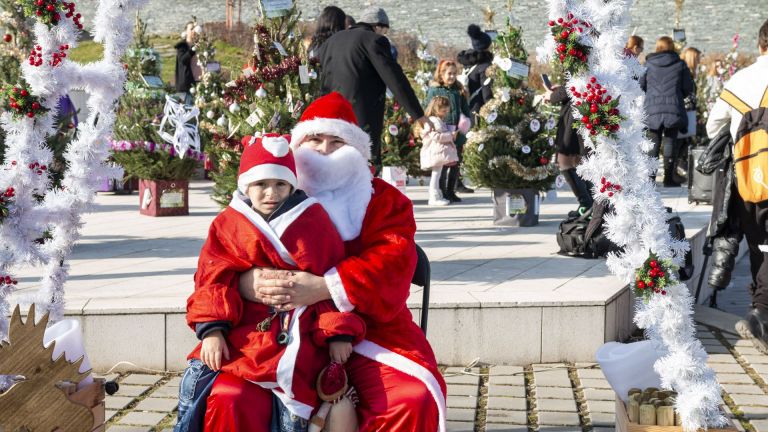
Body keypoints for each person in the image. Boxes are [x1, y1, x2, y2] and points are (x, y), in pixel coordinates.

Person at [202, 92, 446, 431]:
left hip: (371, 330)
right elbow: (221, 257)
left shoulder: (386, 201)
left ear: (358, 151)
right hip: (273, 330)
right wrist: (246, 283)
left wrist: (323, 287)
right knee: (231, 395)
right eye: (314, 138)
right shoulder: (269, 192)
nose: (324, 149)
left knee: (410, 398)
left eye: (336, 140)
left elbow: (394, 263)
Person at [178, 134, 365, 431]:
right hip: (245, 331)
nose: (271, 193)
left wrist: (337, 332)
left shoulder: (314, 221)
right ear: (246, 186)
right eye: (261, 185)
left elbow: (329, 279)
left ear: (292, 184)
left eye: (280, 184)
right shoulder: (228, 224)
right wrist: (212, 330)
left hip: (301, 330)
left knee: (298, 389)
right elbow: (211, 277)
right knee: (225, 390)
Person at [706, 19, 768, 353]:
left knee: (760, 246)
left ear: (760, 44)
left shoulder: (740, 79)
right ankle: (761, 315)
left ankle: (763, 315)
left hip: (746, 178)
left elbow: (712, 125)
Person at [316, 6, 428, 174]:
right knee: (363, 168)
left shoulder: (330, 42)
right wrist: (418, 114)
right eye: (385, 31)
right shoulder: (373, 40)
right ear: (378, 26)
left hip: (329, 115)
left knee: (333, 165)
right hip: (361, 117)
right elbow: (395, 79)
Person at [640, 36, 694, 187]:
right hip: (673, 107)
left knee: (653, 143)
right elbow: (688, 88)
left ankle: (650, 180)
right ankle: (669, 178)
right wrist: (677, 95)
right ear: (672, 47)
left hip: (652, 109)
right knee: (671, 142)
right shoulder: (680, 64)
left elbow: (641, 85)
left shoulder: (647, 64)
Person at [424, 60, 472, 202]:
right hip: (442, 131)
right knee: (443, 162)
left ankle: (451, 190)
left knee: (455, 162)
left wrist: (466, 123)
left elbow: (465, 110)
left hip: (456, 132)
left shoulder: (458, 91)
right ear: (441, 74)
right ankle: (442, 191)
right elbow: (428, 109)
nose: (452, 77)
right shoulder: (435, 90)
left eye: (454, 74)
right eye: (449, 73)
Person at [544, 82, 593, 217]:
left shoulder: (579, 60)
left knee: (565, 159)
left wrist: (552, 95)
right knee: (580, 159)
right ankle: (591, 205)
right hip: (583, 109)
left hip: (576, 112)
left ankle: (587, 204)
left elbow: (574, 82)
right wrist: (560, 89)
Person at [418, 96, 460, 206]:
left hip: (438, 152)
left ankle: (437, 194)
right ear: (436, 109)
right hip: (435, 152)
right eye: (444, 110)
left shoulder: (436, 120)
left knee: (437, 173)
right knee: (436, 174)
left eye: (447, 110)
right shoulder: (432, 121)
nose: (446, 113)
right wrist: (450, 135)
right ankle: (433, 197)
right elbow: (436, 136)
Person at [676, 46, 703, 180]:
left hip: (688, 109)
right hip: (685, 109)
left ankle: (680, 166)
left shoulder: (688, 72)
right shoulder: (684, 72)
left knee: (685, 139)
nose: (699, 61)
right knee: (682, 139)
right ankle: (679, 166)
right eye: (697, 58)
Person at [174, 22, 198, 105]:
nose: (193, 31)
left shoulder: (200, 46)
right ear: (186, 31)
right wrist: (192, 50)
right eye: (191, 29)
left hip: (199, 82)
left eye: (195, 29)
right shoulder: (182, 46)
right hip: (187, 86)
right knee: (187, 112)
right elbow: (183, 60)